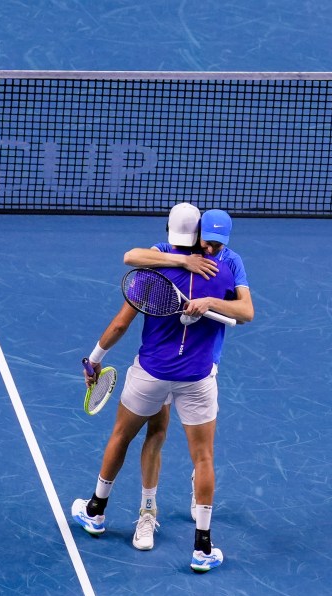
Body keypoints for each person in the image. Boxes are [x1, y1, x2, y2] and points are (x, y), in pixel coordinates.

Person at [71, 203, 241, 572]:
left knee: (120, 436)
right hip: (197, 378)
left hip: (151, 374)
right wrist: (212, 302)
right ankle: (202, 547)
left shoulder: (150, 273)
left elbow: (119, 325)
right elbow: (243, 313)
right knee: (203, 458)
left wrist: (94, 359)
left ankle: (96, 510)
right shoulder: (224, 273)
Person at [124, 209, 254, 521]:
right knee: (157, 431)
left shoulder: (232, 261)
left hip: (202, 363)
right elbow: (132, 257)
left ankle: (200, 491)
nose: (210, 250)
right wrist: (183, 261)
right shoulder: (173, 249)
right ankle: (148, 510)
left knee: (201, 447)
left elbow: (246, 311)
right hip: (163, 363)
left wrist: (210, 303)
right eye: (206, 243)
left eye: (217, 246)